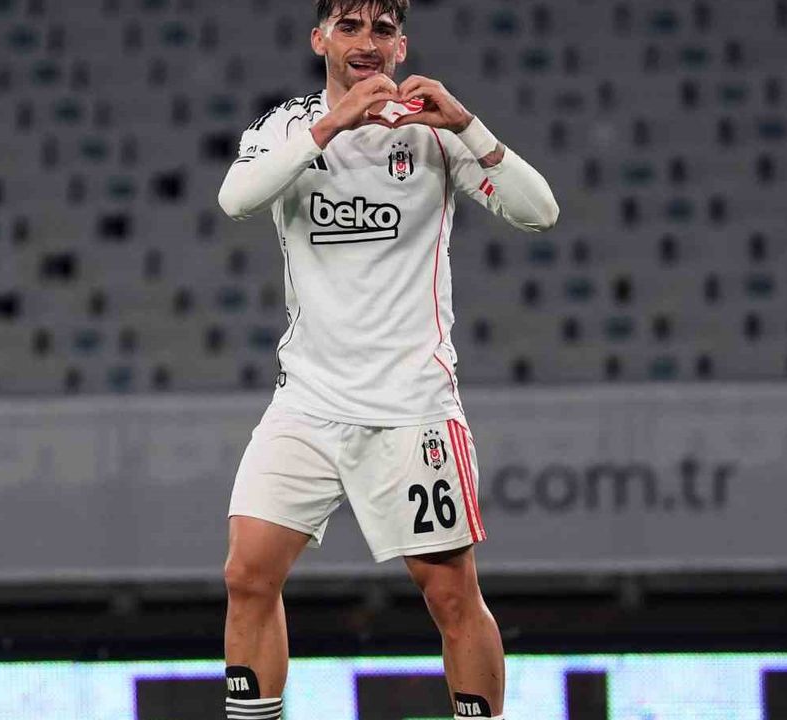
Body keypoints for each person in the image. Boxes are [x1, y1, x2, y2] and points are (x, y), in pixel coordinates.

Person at [216, 0, 558, 717]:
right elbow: (235, 200)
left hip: (412, 409)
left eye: (382, 29)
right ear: (320, 39)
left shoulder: (434, 134)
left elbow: (540, 211)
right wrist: (331, 126)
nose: (365, 42)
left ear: (401, 46)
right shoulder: (284, 129)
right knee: (247, 575)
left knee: (452, 595)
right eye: (349, 26)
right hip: (307, 403)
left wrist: (468, 125)